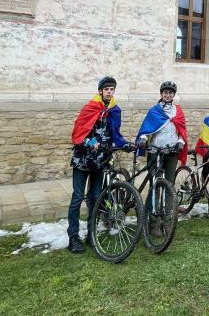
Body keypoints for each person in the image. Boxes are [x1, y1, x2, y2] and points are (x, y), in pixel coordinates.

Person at [67, 75, 128, 254]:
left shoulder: (114, 110)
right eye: (107, 89)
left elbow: (115, 134)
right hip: (83, 160)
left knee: (95, 198)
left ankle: (91, 234)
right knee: (77, 198)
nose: (110, 92)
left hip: (100, 161)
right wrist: (90, 141)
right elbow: (78, 133)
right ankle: (73, 236)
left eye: (112, 89)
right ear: (100, 91)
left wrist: (125, 144)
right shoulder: (90, 108)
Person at [136, 81, 188, 189]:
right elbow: (146, 129)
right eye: (165, 92)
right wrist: (143, 139)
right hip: (156, 150)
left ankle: (170, 206)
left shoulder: (178, 111)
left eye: (170, 93)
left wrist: (181, 142)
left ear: (174, 95)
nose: (168, 95)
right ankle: (151, 206)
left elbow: (182, 130)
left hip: (172, 150)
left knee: (169, 184)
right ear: (161, 94)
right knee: (155, 183)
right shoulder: (154, 111)